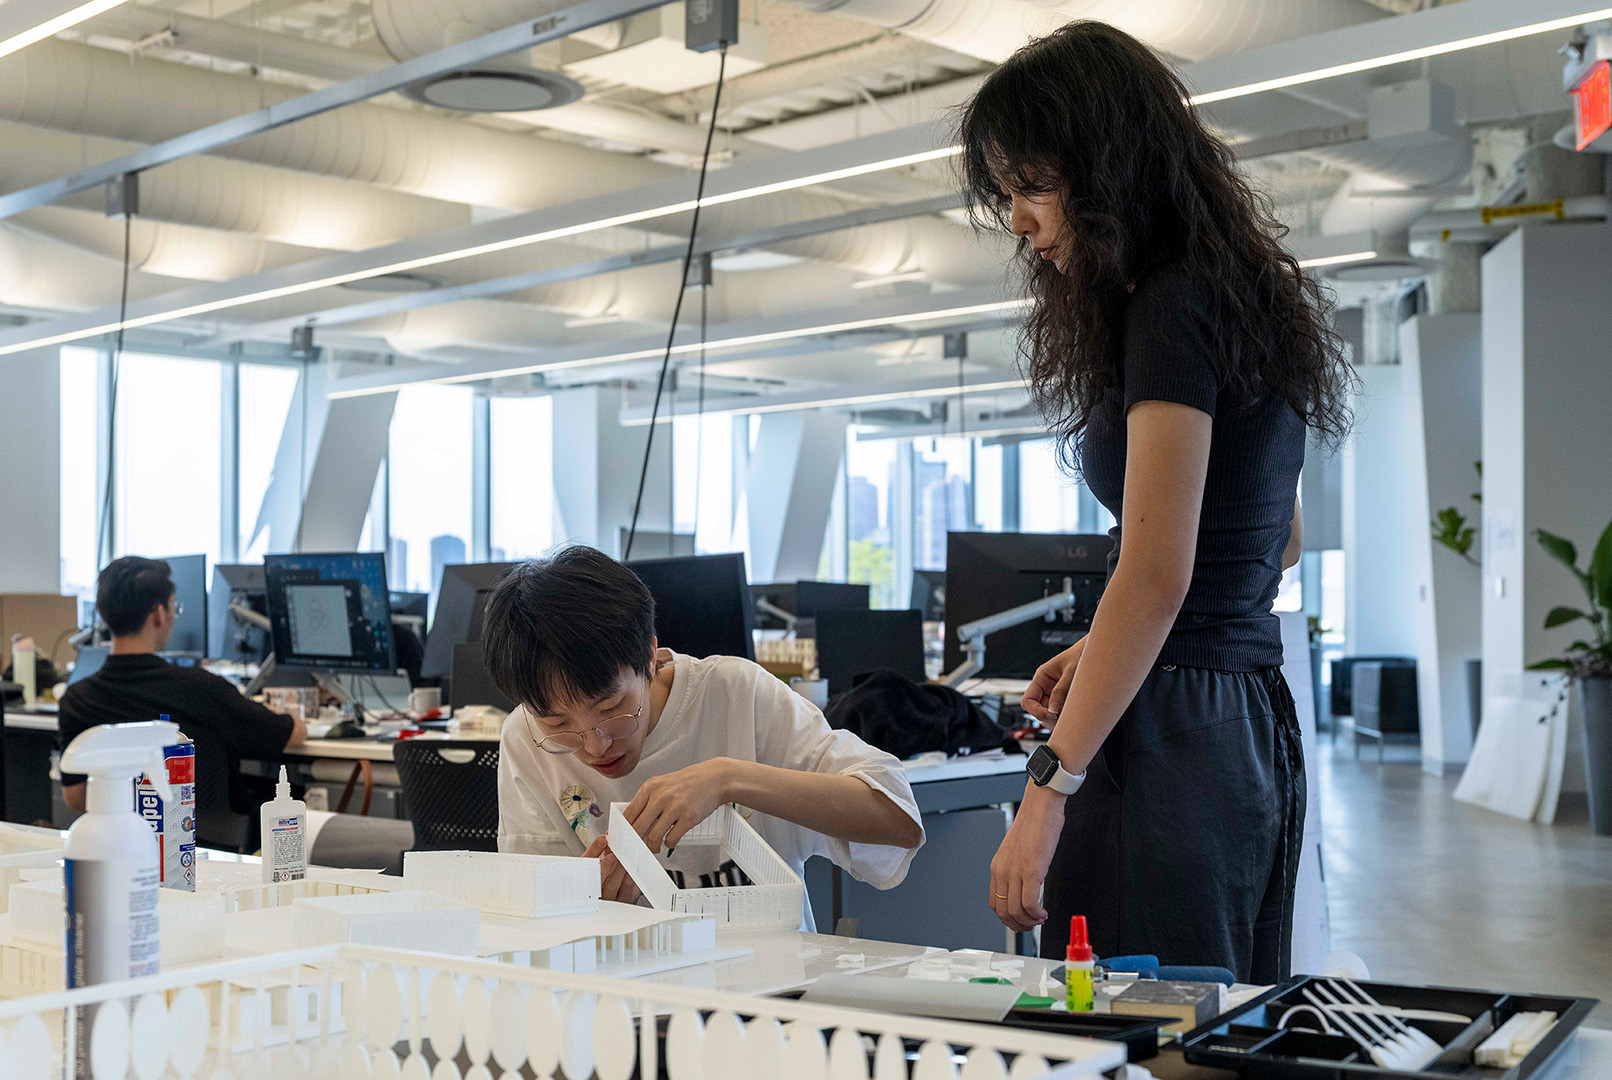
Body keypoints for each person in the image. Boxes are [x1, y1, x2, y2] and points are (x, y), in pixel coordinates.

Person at [957, 22, 1350, 982]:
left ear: (1105, 168)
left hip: (1176, 741)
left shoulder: (1169, 307)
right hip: (1244, 715)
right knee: (1212, 1012)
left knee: (1135, 1021)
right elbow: (1275, 541)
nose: (1018, 220)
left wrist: (1046, 792)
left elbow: (1163, 570)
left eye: (1031, 188)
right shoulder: (1238, 290)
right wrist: (1105, 650)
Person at [484, 546, 923, 928]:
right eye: (560, 726)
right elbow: (527, 916)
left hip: (770, 992)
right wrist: (579, 903)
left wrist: (728, 778)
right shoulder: (524, 738)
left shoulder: (737, 696)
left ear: (650, 657)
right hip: (625, 997)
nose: (595, 745)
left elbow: (897, 821)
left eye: (611, 709)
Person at [57, 556, 305, 817]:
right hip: (200, 846)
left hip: (124, 843)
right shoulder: (201, 687)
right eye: (174, 607)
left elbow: (74, 796)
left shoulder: (78, 699)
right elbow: (291, 734)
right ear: (159, 613)